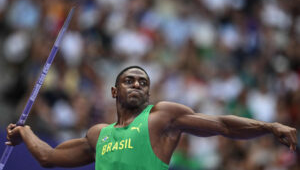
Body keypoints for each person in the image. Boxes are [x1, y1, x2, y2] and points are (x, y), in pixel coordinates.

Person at [6, 66, 298, 170]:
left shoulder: (162, 117)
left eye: (143, 82)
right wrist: (25, 132)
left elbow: (222, 125)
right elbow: (48, 157)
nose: (136, 85)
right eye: (129, 80)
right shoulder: (99, 135)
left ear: (148, 93)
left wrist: (269, 126)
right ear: (113, 90)